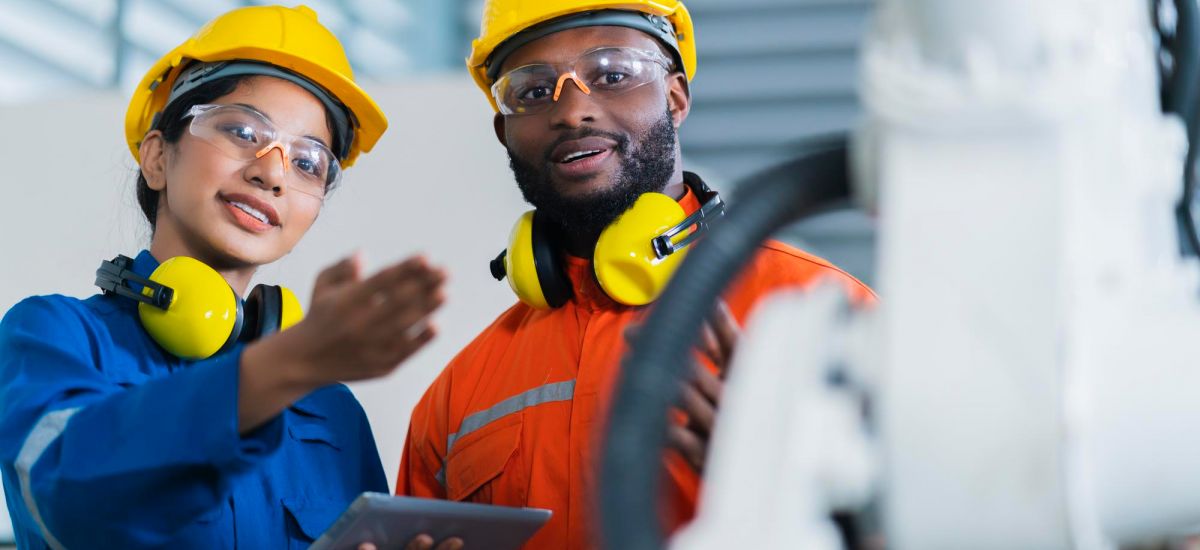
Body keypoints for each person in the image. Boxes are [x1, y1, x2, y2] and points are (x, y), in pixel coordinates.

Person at [394, 0, 877, 548]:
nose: (572, 111)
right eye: (532, 91)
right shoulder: (458, 394)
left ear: (675, 98)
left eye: (613, 74)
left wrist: (795, 485)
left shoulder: (821, 309)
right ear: (504, 131)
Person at [0, 5, 455, 548]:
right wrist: (283, 366)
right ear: (157, 159)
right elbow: (70, 500)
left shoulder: (331, 413)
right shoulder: (51, 335)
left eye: (309, 162)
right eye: (242, 130)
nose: (271, 172)